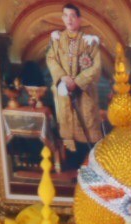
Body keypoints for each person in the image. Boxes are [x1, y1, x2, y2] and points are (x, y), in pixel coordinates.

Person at [46, 3, 103, 169]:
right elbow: (51, 59)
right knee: (67, 132)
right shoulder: (57, 40)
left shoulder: (89, 41)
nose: (69, 19)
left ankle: (90, 168)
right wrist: (63, 77)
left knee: (87, 130)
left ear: (79, 19)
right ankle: (70, 169)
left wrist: (77, 82)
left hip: (84, 95)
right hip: (64, 95)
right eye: (66, 16)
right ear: (62, 18)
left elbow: (96, 67)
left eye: (72, 16)